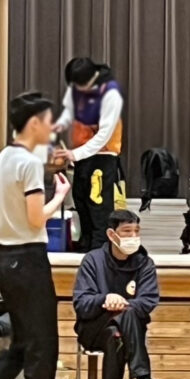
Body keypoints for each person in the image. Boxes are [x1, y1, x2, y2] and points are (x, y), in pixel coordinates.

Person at [0, 92, 73, 379]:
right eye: (47, 120)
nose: (52, 127)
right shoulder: (28, 163)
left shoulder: (3, 158)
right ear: (33, 124)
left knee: (21, 345)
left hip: (4, 259)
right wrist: (59, 197)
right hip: (28, 258)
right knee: (43, 345)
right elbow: (34, 219)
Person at [72, 210, 164, 379]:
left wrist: (122, 304)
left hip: (125, 332)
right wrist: (104, 299)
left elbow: (148, 301)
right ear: (112, 234)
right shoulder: (92, 260)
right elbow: (82, 304)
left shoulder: (145, 263)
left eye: (137, 231)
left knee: (118, 333)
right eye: (127, 231)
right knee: (124, 319)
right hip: (93, 329)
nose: (133, 236)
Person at [53, 58, 125, 251]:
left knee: (98, 205)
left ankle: (100, 249)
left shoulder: (110, 95)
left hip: (102, 156)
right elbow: (70, 111)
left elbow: (104, 135)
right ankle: (86, 242)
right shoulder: (78, 89)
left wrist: (75, 154)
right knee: (80, 199)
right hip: (83, 155)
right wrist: (59, 124)